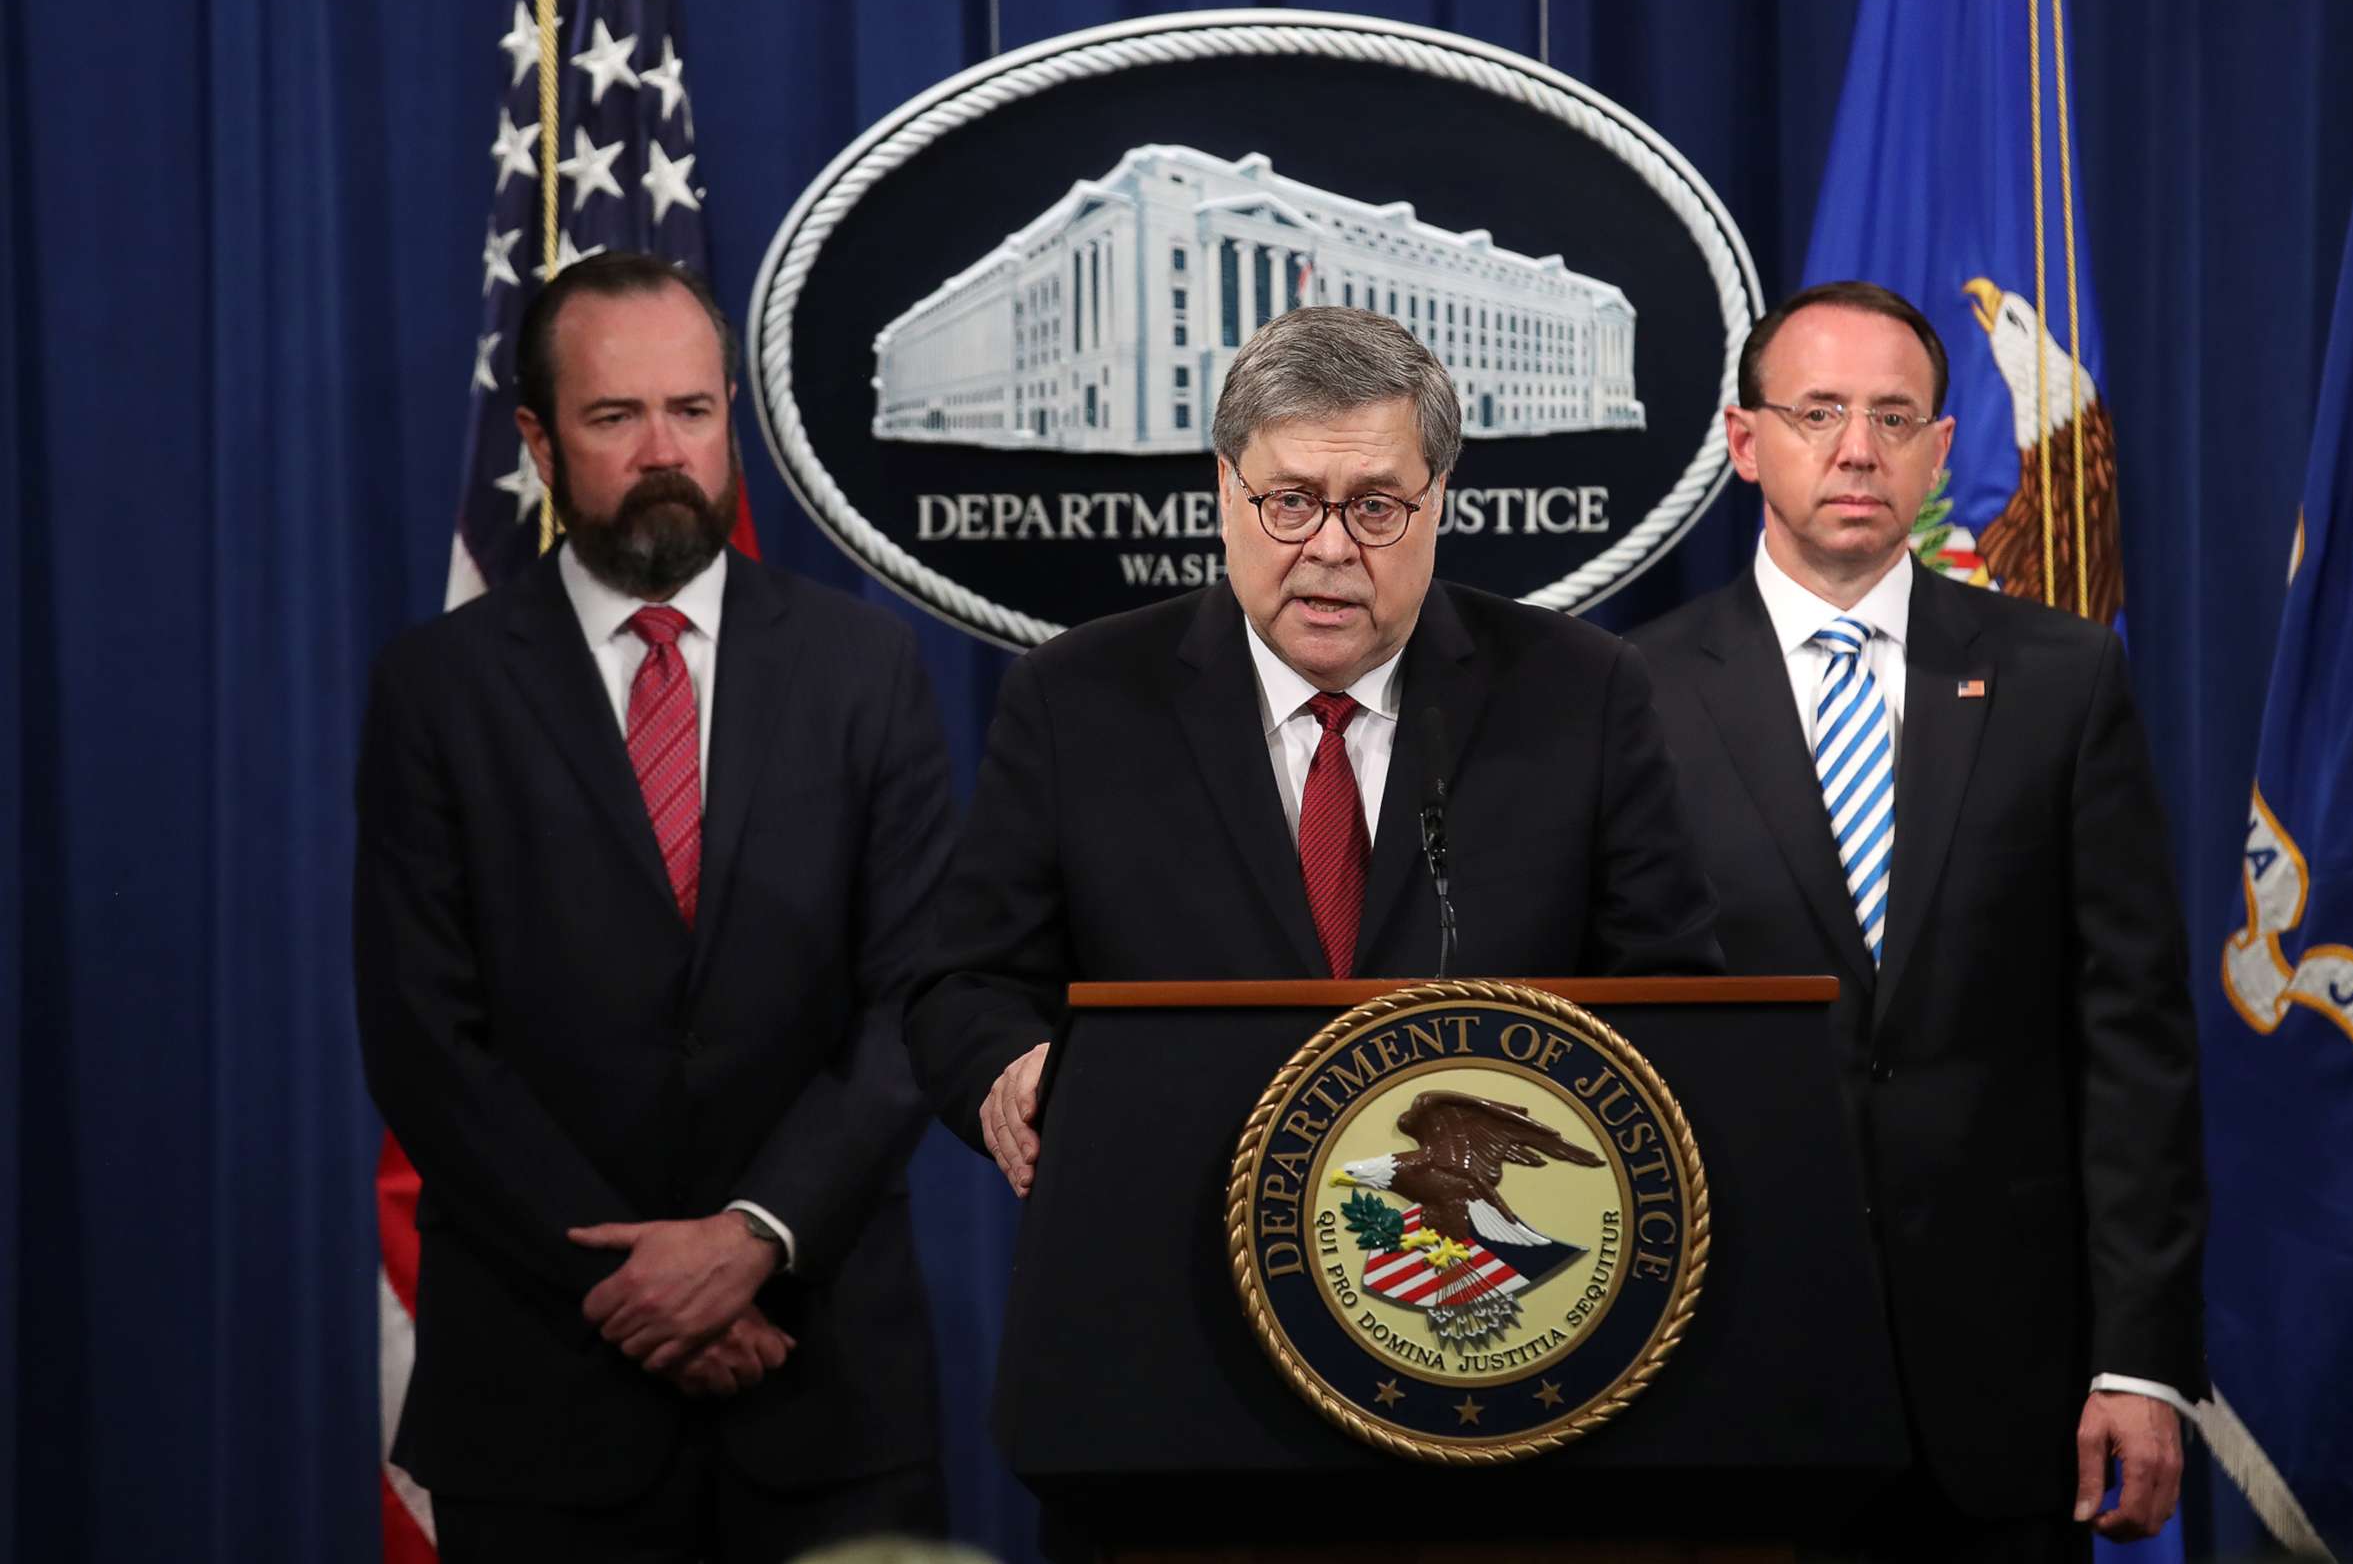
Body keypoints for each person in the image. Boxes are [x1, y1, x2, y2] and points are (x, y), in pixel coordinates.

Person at [355, 253, 951, 1561]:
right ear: (539, 437)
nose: (662, 449)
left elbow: (915, 1000)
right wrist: (637, 1284)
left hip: (825, 1377)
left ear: (732, 414)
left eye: (691, 408)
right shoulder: (437, 689)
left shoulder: (866, 669)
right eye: (615, 417)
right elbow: (423, 1036)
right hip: (545, 1384)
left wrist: (753, 1236)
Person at [1631, 281, 2204, 1560]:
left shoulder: (2063, 679)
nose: (1856, 449)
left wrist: (2141, 1362)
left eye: (1895, 418)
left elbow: (2135, 1048)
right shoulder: (1629, 697)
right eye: (1818, 411)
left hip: (2012, 1400)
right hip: (1720, 1380)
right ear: (1743, 442)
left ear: (1943, 451)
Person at [904, 304, 1723, 1194]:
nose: (1330, 548)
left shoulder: (1579, 692)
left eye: (1376, 506)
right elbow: (965, 987)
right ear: (1226, 488)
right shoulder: (1077, 699)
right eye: (1290, 501)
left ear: (1438, 497)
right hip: (1165, 1237)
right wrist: (1009, 1073)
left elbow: (1672, 995)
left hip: (1471, 1257)